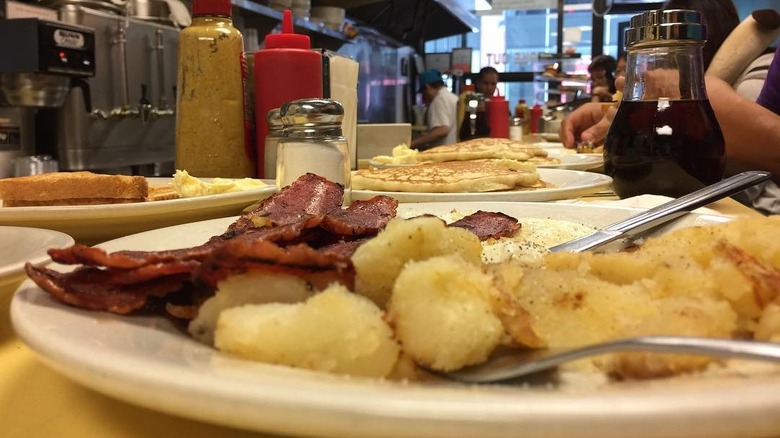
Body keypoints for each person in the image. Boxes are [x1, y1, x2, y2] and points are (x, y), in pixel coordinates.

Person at [411, 69, 459, 150]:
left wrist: (414, 142)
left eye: (423, 92)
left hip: (444, 151)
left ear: (427, 87)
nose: (424, 95)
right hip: (454, 148)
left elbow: (442, 130)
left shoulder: (438, 100)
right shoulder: (453, 97)